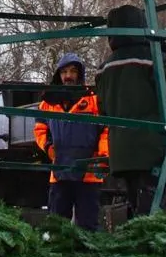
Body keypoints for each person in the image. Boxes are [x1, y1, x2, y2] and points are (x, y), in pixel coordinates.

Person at [93, 4, 166, 216]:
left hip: (121, 154)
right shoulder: (152, 58)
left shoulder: (103, 69)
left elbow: (102, 109)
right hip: (150, 149)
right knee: (153, 212)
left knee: (136, 208)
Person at [34, 53, 107, 230]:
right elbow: (40, 130)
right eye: (64, 71)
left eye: (73, 71)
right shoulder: (47, 103)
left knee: (88, 227)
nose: (68, 76)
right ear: (58, 75)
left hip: (88, 173)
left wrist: (103, 156)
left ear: (79, 74)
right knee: (56, 227)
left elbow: (106, 130)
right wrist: (48, 147)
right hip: (59, 173)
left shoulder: (93, 100)